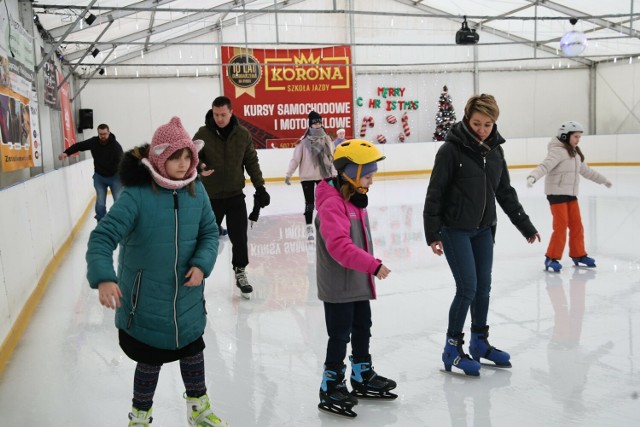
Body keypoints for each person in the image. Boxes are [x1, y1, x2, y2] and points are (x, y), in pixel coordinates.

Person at [86, 117, 228, 427]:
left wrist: (202, 265)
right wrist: (104, 277)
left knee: (193, 354)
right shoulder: (136, 195)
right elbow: (102, 236)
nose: (182, 163)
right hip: (146, 303)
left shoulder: (196, 190)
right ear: (160, 157)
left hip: (187, 301)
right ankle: (140, 415)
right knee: (149, 363)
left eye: (187, 155)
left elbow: (208, 233)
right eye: (175, 156)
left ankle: (199, 410)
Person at [423, 94, 541, 377]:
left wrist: (525, 225)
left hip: (484, 229)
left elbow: (505, 192)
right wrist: (432, 233)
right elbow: (435, 193)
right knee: (467, 288)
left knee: (483, 288)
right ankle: (452, 348)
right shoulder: (450, 150)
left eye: (488, 124)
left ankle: (479, 341)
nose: (482, 129)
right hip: (455, 230)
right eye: (477, 123)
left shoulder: (496, 151)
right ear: (466, 118)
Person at [315, 139, 397, 418]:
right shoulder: (332, 203)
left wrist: (367, 269)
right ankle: (331, 383)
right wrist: (372, 265)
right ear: (349, 171)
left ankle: (361, 374)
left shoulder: (354, 199)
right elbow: (339, 246)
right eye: (368, 174)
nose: (372, 181)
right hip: (339, 284)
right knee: (339, 334)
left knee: (363, 326)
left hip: (358, 280)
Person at [194, 95, 270, 299]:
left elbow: (251, 161)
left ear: (231, 112)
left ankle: (240, 272)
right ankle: (197, 275)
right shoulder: (202, 134)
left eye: (223, 114)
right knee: (205, 238)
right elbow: (193, 156)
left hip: (236, 195)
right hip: (211, 198)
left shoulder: (242, 134)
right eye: (216, 114)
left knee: (239, 237)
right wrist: (200, 166)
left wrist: (260, 187)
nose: (219, 118)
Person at [526, 121, 612, 272]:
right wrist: (533, 177)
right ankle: (551, 258)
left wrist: (603, 180)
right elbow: (545, 166)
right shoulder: (557, 151)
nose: (578, 139)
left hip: (571, 194)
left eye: (579, 137)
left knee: (577, 225)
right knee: (561, 227)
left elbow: (587, 171)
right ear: (565, 136)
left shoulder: (575, 153)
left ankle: (578, 254)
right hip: (556, 194)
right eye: (576, 136)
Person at [284, 111, 336, 240]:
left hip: (322, 176)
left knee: (323, 204)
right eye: (315, 123)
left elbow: (332, 158)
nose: (317, 125)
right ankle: (309, 229)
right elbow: (295, 159)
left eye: (319, 123)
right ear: (310, 125)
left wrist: (334, 173)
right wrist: (288, 174)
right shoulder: (303, 141)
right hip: (307, 177)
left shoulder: (327, 139)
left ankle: (323, 227)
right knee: (309, 204)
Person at [58, 123, 123, 221]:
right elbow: (79, 146)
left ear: (109, 132)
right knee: (100, 202)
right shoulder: (94, 142)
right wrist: (66, 152)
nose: (103, 136)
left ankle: (120, 221)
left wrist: (125, 178)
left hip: (114, 177)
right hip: (100, 177)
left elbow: (122, 163)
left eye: (105, 134)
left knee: (118, 200)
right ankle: (101, 223)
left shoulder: (115, 146)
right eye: (101, 134)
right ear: (98, 133)